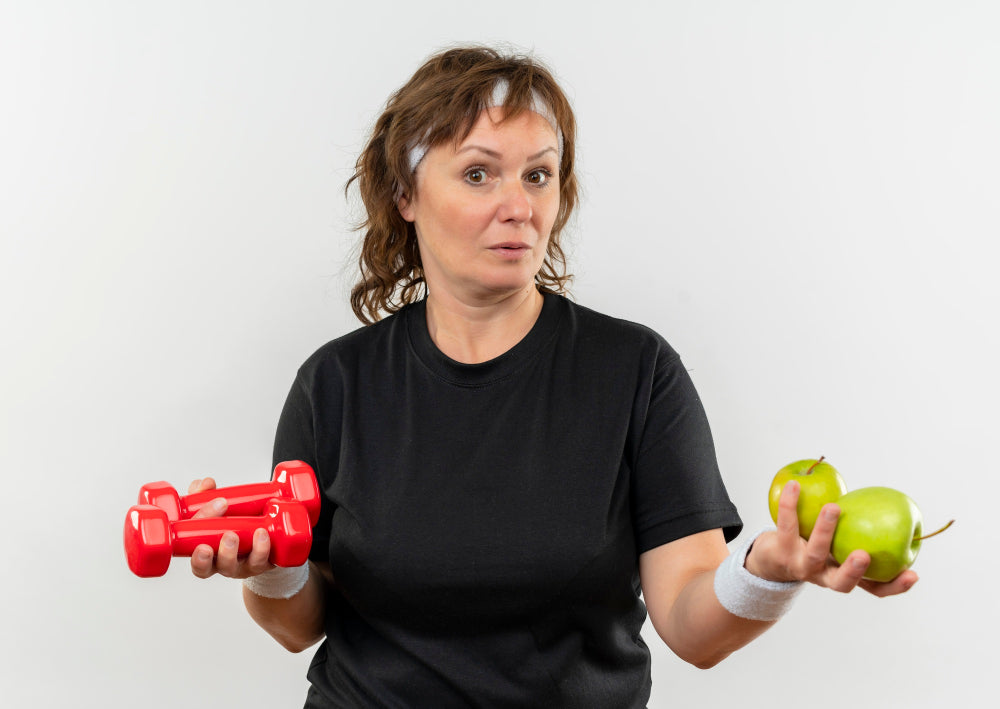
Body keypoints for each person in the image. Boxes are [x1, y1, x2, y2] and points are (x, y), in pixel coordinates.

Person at [185, 45, 917, 708]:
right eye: (478, 173)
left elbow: (693, 628)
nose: (519, 207)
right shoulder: (334, 383)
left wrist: (767, 573)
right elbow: (298, 626)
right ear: (405, 195)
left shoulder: (637, 372)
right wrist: (270, 567)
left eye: (538, 175)